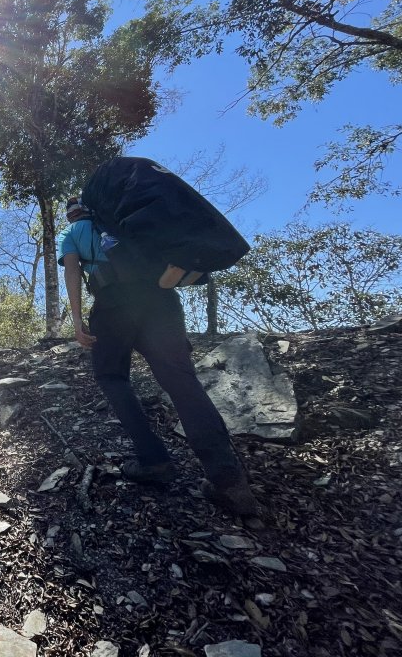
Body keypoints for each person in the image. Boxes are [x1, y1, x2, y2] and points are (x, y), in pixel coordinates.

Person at [57, 195, 261, 516]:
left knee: (112, 376)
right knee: (180, 379)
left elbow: (72, 271)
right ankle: (228, 477)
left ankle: (154, 460)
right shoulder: (120, 222)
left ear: (71, 215)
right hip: (161, 301)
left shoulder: (72, 234)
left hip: (112, 306)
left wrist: (78, 319)